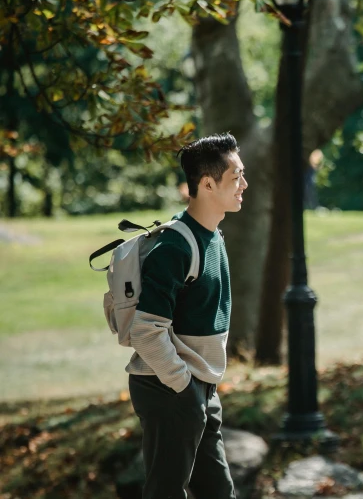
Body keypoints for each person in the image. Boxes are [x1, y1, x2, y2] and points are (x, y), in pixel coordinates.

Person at [126, 133, 247, 499]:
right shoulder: (174, 246)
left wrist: (198, 391)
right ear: (207, 184)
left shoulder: (213, 236)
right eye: (236, 177)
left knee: (218, 492)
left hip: (198, 389)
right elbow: (145, 331)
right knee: (165, 492)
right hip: (169, 388)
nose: (244, 184)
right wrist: (184, 387)